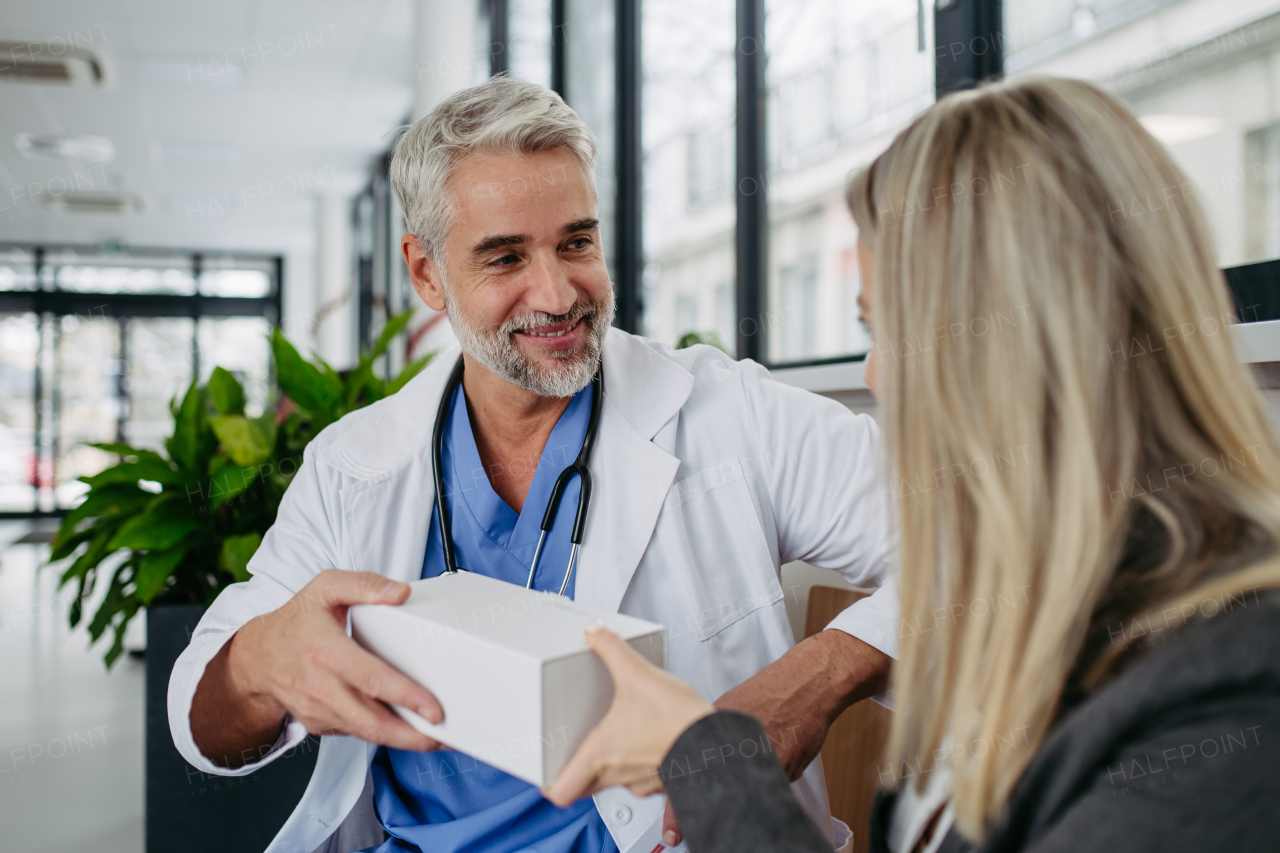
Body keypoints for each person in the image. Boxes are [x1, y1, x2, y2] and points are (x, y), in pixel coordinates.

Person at [542, 76, 1280, 853]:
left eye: (892, 328)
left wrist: (707, 752)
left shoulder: (1234, 688)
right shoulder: (1069, 597)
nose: (876, 376)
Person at [167, 76, 899, 853]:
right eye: (505, 256)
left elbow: (991, 537)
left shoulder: (729, 414)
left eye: (576, 242)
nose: (556, 293)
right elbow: (199, 716)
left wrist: (815, 677)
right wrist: (255, 664)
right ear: (426, 274)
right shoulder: (354, 467)